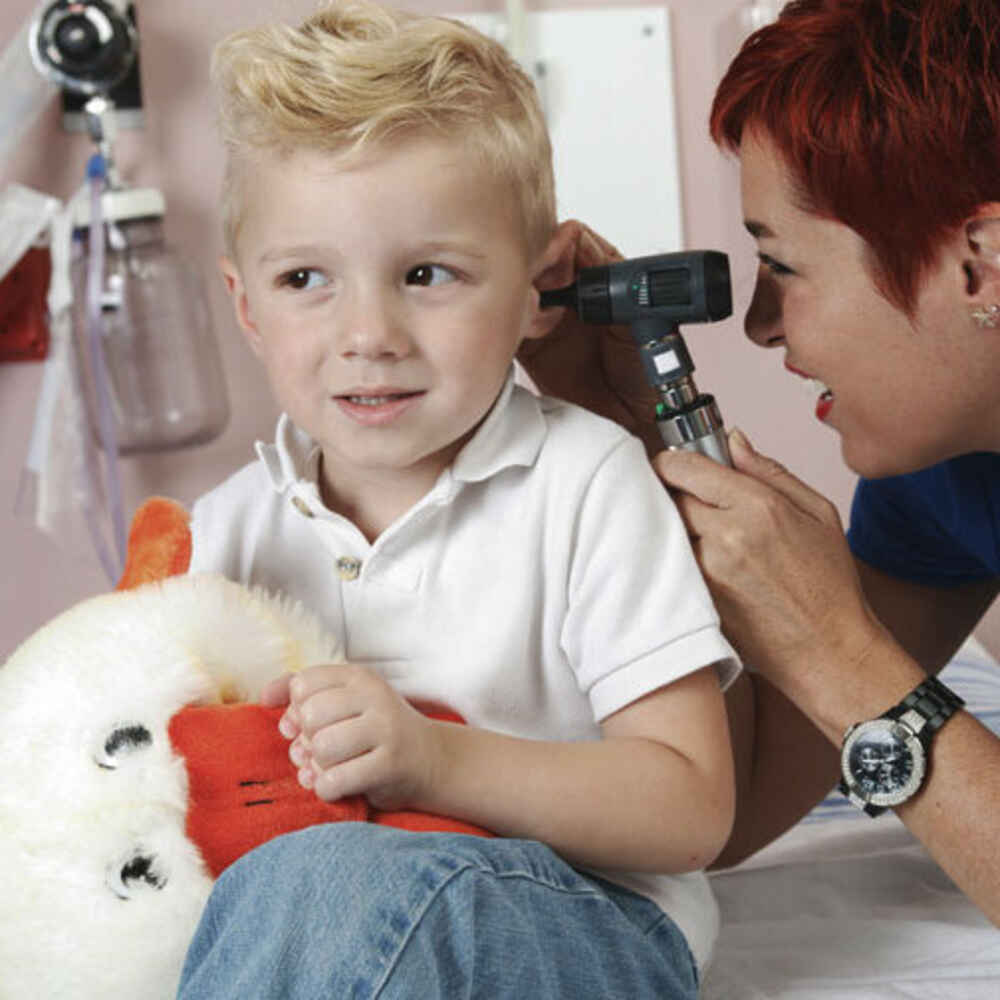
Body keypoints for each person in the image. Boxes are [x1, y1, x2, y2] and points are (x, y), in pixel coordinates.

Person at [177, 2, 739, 996]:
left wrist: (433, 762)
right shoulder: (224, 531)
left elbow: (690, 803)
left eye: (426, 274)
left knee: (325, 885)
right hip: (311, 919)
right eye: (306, 277)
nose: (369, 332)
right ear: (245, 305)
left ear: (540, 286)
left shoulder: (588, 483)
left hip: (585, 920)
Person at [523, 0, 1000, 926]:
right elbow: (729, 811)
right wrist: (623, 419)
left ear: (978, 262)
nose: (757, 324)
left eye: (782, 266)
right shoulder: (942, 476)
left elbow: (854, 685)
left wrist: (837, 652)